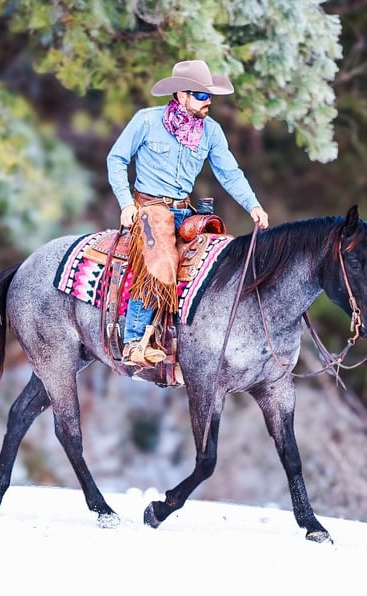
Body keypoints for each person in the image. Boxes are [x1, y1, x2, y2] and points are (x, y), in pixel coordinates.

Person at [107, 59, 269, 368]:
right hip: (150, 207)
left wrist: (253, 205)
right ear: (181, 95)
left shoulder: (211, 131)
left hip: (185, 210)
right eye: (201, 96)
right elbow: (116, 159)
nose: (208, 102)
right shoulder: (146, 121)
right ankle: (133, 341)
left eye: (210, 96)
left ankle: (195, 343)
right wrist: (126, 203)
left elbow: (229, 173)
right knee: (160, 260)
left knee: (219, 258)